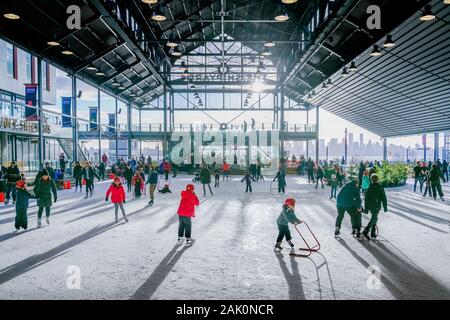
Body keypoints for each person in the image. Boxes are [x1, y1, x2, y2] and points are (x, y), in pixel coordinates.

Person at [362, 174, 387, 241]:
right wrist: (385, 207)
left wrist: (366, 209)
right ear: (377, 179)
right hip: (377, 206)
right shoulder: (380, 187)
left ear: (371, 180)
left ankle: (373, 234)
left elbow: (366, 199)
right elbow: (384, 197)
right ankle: (365, 231)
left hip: (371, 206)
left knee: (375, 218)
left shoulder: (369, 188)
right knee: (374, 218)